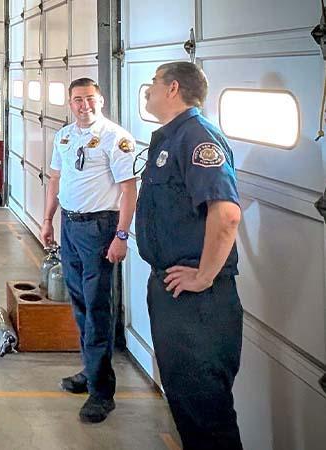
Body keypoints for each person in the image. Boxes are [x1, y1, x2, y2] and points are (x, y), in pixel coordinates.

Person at [137, 61, 243, 449]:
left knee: (206, 413)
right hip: (173, 292)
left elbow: (227, 214)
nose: (147, 91)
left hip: (198, 303)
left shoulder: (197, 138)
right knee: (187, 406)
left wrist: (204, 275)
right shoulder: (170, 138)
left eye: (152, 84)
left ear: (173, 89)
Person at [42, 78, 138, 423]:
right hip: (70, 225)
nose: (84, 105)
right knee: (79, 302)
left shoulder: (117, 137)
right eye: (77, 100)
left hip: (101, 229)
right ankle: (91, 370)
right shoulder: (65, 136)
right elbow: (55, 179)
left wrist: (122, 236)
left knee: (98, 309)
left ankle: (102, 393)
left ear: (101, 99)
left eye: (89, 99)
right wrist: (48, 220)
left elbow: (129, 189)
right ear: (70, 104)